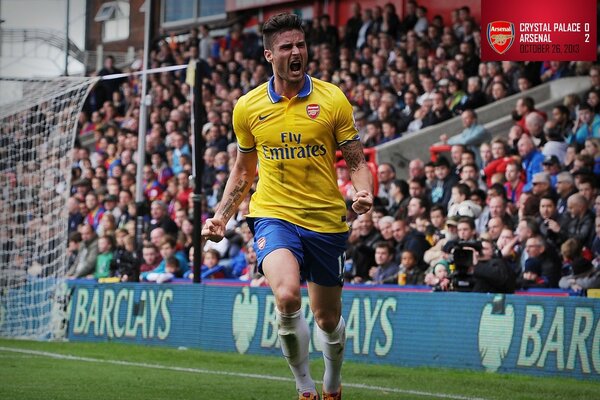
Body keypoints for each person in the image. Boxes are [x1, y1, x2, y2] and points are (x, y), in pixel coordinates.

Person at [201, 14, 373, 400]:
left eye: (301, 45)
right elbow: (245, 169)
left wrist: (364, 193)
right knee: (287, 296)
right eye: (286, 47)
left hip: (327, 220)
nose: (296, 52)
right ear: (268, 55)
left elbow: (356, 159)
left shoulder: (332, 98)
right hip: (273, 214)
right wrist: (221, 217)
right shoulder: (248, 107)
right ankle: (304, 386)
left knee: (327, 319)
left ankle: (331, 381)